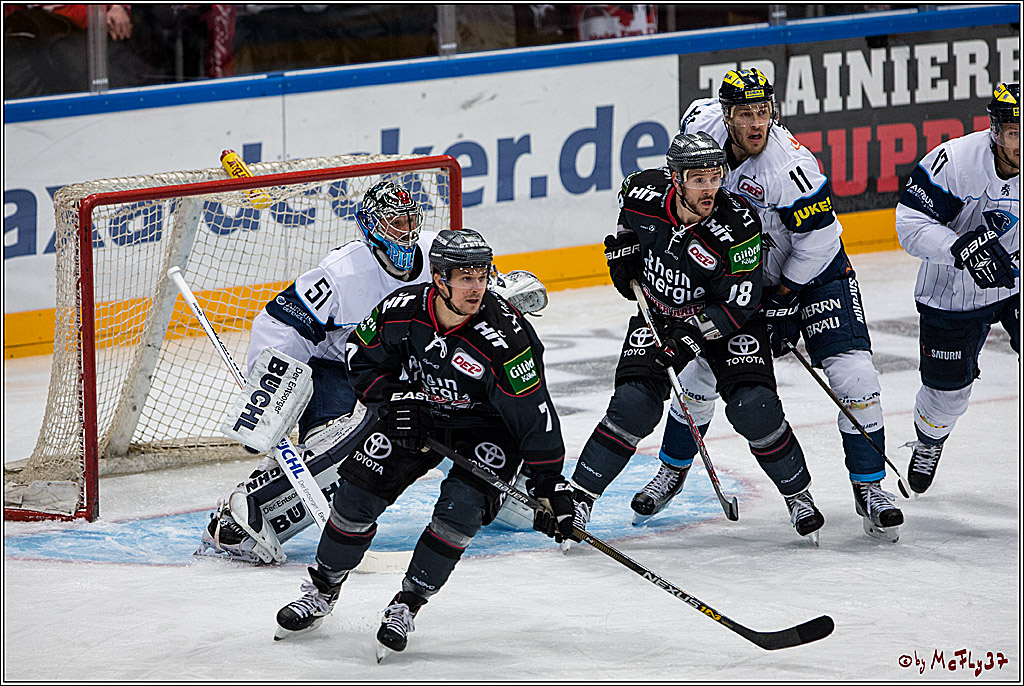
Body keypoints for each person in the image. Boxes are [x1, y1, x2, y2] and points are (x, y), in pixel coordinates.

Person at [197, 181, 549, 564]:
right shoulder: (342, 273)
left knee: (477, 408)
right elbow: (281, 323)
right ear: (370, 227)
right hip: (340, 372)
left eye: (410, 219)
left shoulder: (436, 253)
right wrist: (269, 389)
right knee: (349, 454)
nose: (406, 229)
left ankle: (515, 489)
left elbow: (479, 294)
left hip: (415, 364)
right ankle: (244, 511)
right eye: (394, 222)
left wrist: (502, 294)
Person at [273, 228, 575, 656]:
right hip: (416, 413)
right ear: (439, 278)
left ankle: (407, 605)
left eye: (482, 275)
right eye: (465, 277)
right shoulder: (402, 309)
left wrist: (549, 487)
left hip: (487, 431)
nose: (477, 287)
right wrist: (391, 397)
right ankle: (321, 590)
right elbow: (360, 356)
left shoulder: (507, 338)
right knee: (355, 498)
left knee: (460, 513)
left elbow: (535, 416)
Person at [646, 67, 903, 541]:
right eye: (745, 113)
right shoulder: (698, 126)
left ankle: (870, 487)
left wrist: (786, 297)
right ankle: (673, 468)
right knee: (698, 372)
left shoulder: (790, 167)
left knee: (855, 375)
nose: (756, 123)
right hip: (742, 278)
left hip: (815, 273)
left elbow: (822, 241)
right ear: (726, 115)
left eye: (763, 111)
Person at [563, 131, 824, 549]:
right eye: (698, 179)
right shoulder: (643, 191)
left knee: (753, 409)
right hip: (660, 316)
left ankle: (798, 496)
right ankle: (579, 499)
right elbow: (627, 217)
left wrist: (692, 336)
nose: (710, 188)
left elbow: (741, 300)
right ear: (675, 179)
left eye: (715, 176)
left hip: (729, 323)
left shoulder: (738, 222)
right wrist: (624, 251)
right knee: (633, 406)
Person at [894, 82, 1019, 494]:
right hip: (952, 292)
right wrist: (961, 249)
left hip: (1016, 284)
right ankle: (930, 441)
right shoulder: (958, 161)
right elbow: (909, 225)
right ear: (996, 130)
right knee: (946, 397)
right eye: (1015, 132)